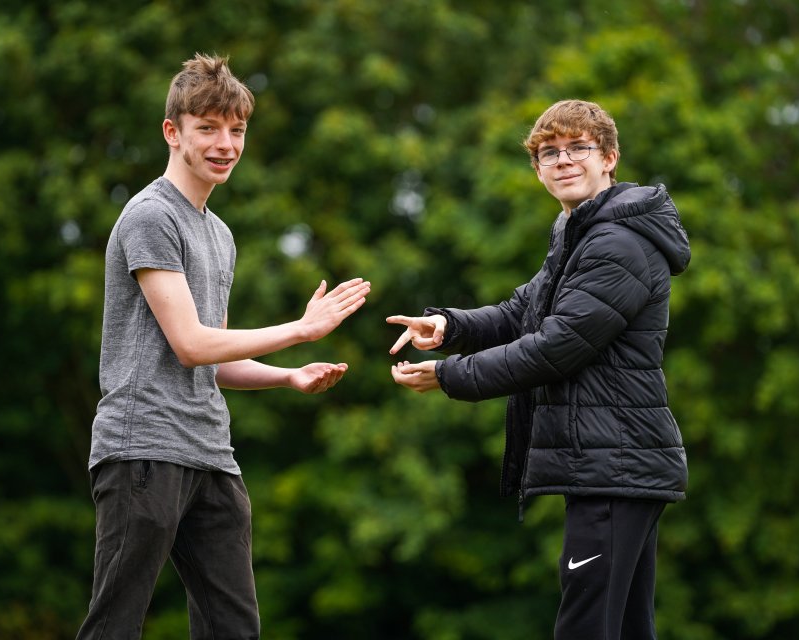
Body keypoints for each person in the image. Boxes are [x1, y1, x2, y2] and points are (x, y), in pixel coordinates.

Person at [76, 53, 370, 640]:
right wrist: (300, 328)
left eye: (236, 130)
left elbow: (218, 357)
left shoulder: (219, 233)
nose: (225, 143)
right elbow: (189, 344)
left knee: (234, 629)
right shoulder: (150, 217)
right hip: (144, 448)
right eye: (207, 128)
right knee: (116, 625)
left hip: (211, 454)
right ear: (173, 132)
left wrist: (288, 375)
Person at [387, 99, 690, 640]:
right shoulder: (579, 231)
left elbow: (555, 346)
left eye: (578, 148)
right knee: (621, 628)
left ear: (609, 158)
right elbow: (520, 311)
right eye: (549, 153)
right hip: (610, 464)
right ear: (537, 168)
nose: (563, 161)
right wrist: (448, 327)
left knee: (585, 627)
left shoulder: (618, 243)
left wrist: (449, 374)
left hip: (615, 463)